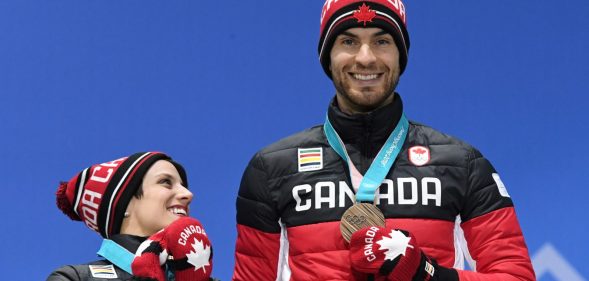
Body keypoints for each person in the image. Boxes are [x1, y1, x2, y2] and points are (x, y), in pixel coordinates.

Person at [233, 1, 535, 280]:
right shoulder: (271, 169)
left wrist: (427, 274)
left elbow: (515, 276)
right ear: (328, 57)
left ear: (400, 56)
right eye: (348, 41)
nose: (366, 58)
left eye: (382, 41)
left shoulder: (463, 164)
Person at [48, 152, 214, 281]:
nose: (188, 194)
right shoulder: (74, 277)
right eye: (165, 182)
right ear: (124, 204)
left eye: (183, 186)